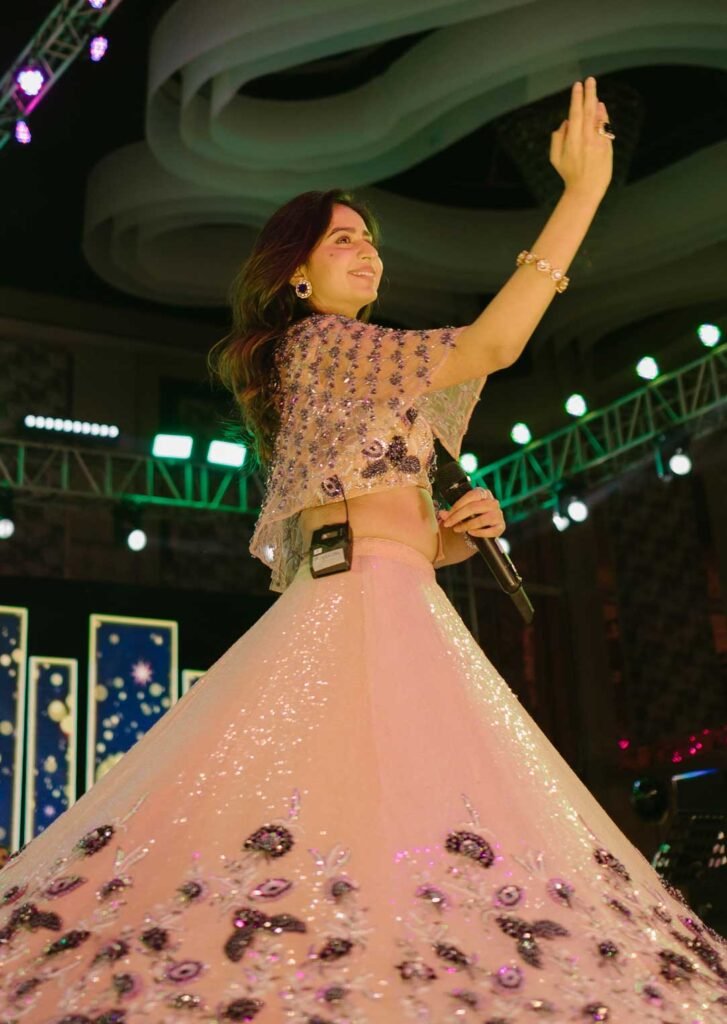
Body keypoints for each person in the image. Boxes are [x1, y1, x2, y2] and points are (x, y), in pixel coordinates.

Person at [0, 78, 723, 1024]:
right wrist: (581, 194)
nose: (367, 248)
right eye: (342, 237)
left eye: (369, 237)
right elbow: (496, 345)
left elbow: (385, 522)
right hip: (353, 612)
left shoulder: (372, 372)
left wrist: (450, 537)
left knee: (402, 843)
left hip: (400, 602)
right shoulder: (320, 346)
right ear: (296, 274)